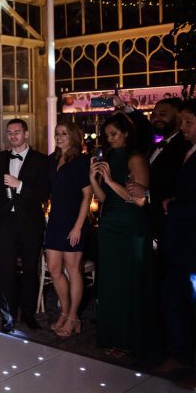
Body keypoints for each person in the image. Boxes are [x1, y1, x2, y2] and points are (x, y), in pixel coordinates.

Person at [89, 113, 157, 360]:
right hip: (109, 224)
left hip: (130, 225)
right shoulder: (109, 157)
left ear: (126, 133)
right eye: (107, 135)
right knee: (110, 283)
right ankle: (113, 337)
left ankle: (131, 340)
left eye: (114, 134)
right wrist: (93, 179)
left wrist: (108, 179)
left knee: (129, 282)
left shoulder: (136, 158)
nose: (110, 139)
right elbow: (104, 197)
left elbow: (139, 200)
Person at [0, 118, 50, 333]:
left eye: (17, 132)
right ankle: (7, 316)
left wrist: (20, 185)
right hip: (6, 221)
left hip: (30, 223)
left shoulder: (41, 160)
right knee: (6, 269)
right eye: (9, 133)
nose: (13, 136)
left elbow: (44, 193)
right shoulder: (0, 157)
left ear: (26, 134)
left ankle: (29, 314)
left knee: (30, 269)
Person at [156, 98, 196, 376]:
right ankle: (180, 354)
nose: (183, 126)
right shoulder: (189, 150)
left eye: (189, 122)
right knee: (174, 297)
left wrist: (175, 205)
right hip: (181, 243)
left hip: (191, 243)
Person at [44, 123, 92, 337]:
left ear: (73, 136)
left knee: (73, 270)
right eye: (57, 133)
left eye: (64, 133)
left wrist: (78, 227)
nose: (59, 137)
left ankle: (73, 317)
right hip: (55, 221)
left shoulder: (82, 161)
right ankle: (64, 311)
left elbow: (87, 196)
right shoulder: (52, 159)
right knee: (54, 269)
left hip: (74, 221)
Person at [126, 98, 189, 249]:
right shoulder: (156, 146)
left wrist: (147, 193)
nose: (156, 118)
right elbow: (144, 128)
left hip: (172, 227)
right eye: (154, 114)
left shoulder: (184, 147)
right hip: (151, 225)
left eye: (163, 114)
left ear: (179, 117)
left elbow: (178, 188)